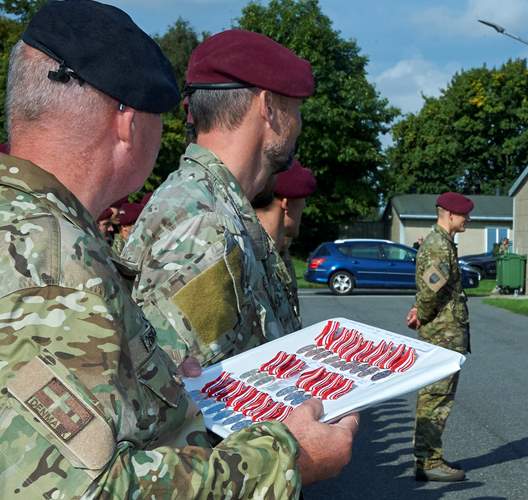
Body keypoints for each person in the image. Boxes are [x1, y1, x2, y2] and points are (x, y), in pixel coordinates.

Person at [0, 1, 355, 495]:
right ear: (128, 125)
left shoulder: (37, 233)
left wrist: (167, 382)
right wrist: (287, 458)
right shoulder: (54, 263)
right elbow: (78, 489)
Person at [123, 28, 314, 363]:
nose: (298, 124)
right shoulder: (205, 224)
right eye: (295, 109)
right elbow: (188, 394)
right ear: (268, 107)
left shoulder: (221, 207)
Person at [405, 192, 473, 482]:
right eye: (464, 214)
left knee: (436, 396)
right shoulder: (438, 246)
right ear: (448, 214)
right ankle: (427, 461)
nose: (467, 219)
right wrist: (421, 311)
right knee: (435, 397)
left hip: (444, 332)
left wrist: (420, 308)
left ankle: (429, 456)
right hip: (441, 334)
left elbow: (432, 288)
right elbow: (434, 288)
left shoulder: (440, 243)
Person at [252, 159, 316, 332]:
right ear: (286, 204)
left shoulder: (279, 254)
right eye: (303, 200)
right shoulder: (250, 257)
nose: (304, 206)